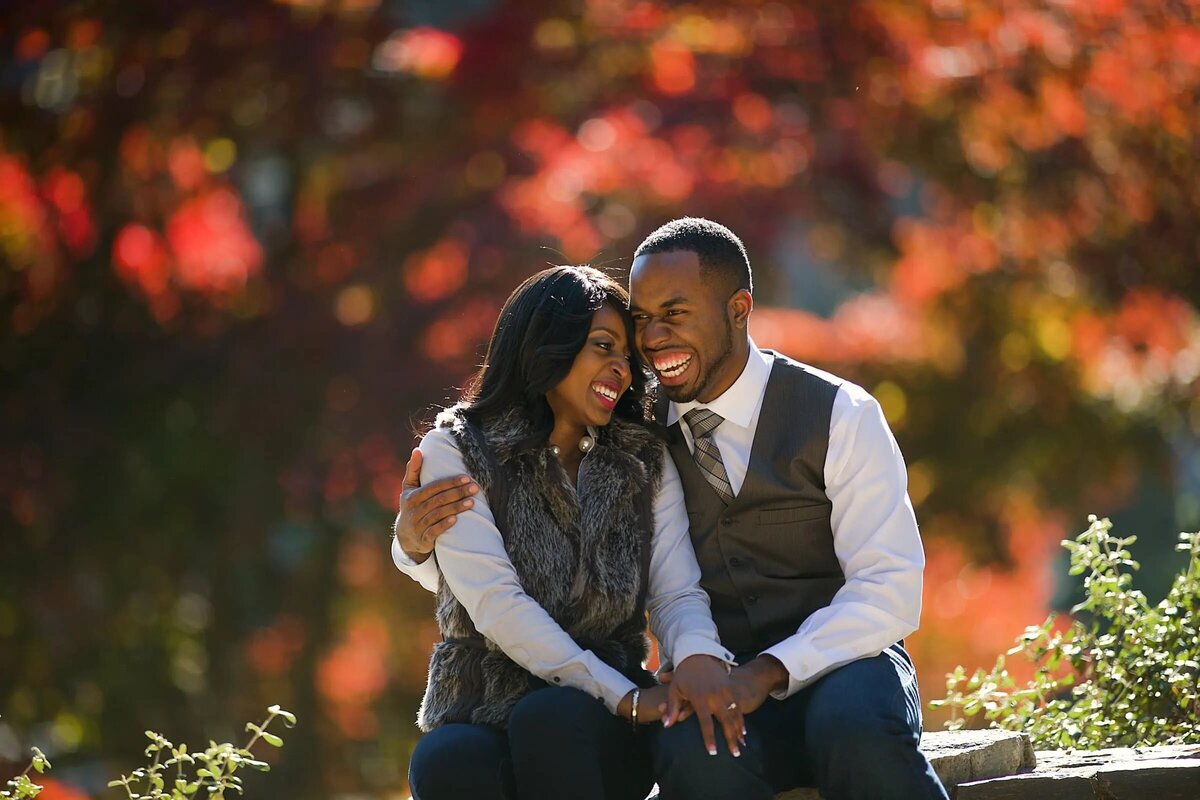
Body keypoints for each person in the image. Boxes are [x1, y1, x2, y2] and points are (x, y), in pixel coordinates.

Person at [396, 219, 950, 800]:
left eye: (675, 313)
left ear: (739, 309)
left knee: (853, 728)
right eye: (642, 319)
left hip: (845, 665)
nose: (651, 339)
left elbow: (888, 587)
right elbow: (504, 561)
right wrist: (413, 543)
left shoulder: (840, 414)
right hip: (712, 674)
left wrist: (764, 672)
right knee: (693, 752)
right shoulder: (632, 427)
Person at [395, 265, 743, 800]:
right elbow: (495, 602)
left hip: (600, 716)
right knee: (448, 761)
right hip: (485, 702)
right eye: (603, 346)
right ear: (545, 347)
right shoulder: (458, 450)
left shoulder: (643, 458)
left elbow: (675, 591)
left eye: (627, 356)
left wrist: (693, 658)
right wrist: (624, 695)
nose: (622, 369)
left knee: (550, 718)